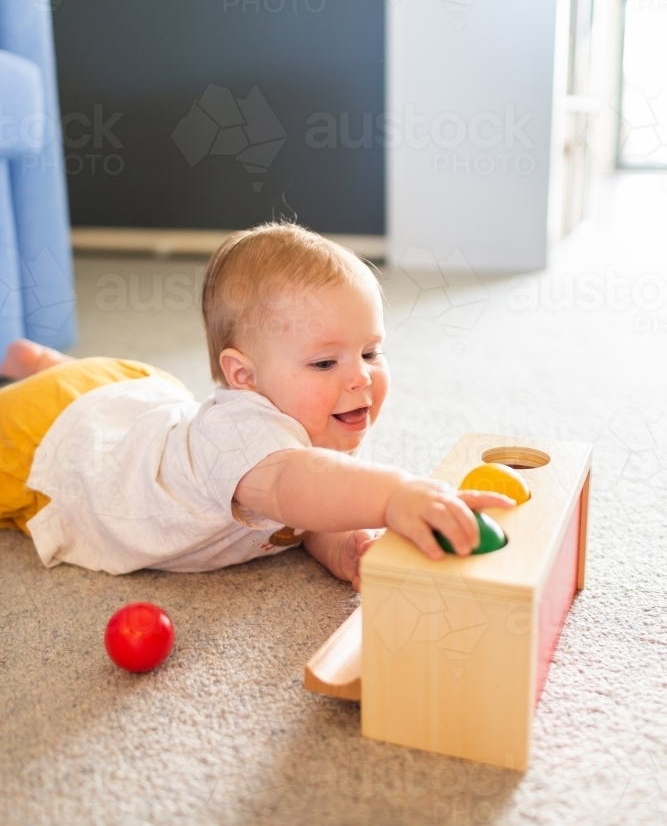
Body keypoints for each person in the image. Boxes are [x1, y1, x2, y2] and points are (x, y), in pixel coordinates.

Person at [0, 222, 511, 588]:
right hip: (50, 437)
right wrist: (397, 494)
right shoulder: (244, 435)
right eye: (324, 364)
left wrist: (344, 543)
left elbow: (305, 518)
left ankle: (47, 363)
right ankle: (45, 371)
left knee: (126, 395)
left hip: (132, 397)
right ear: (243, 377)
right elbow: (294, 488)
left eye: (370, 352)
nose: (360, 377)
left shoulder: (318, 422)